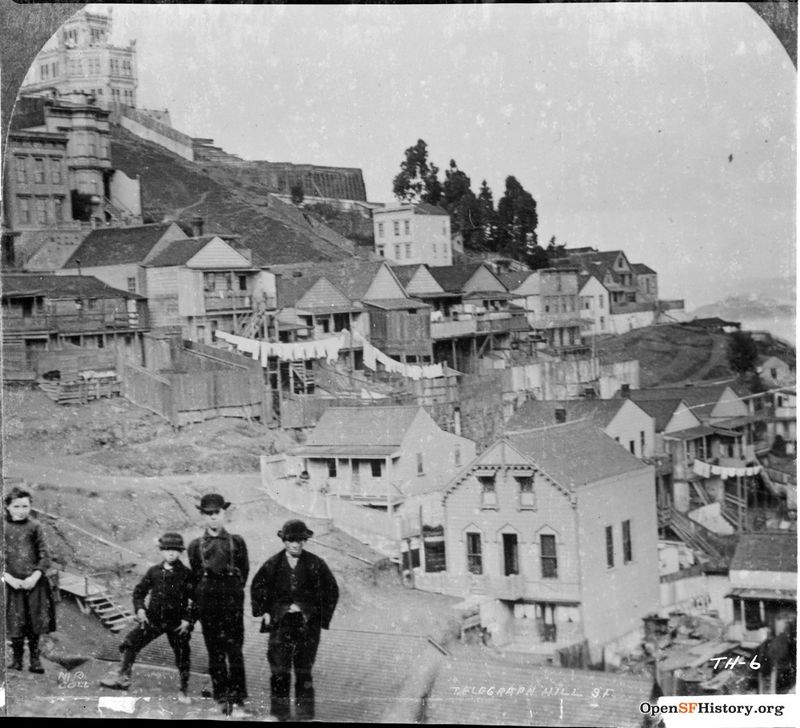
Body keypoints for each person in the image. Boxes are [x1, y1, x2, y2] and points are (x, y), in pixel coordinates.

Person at [251, 519, 339, 722]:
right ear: (284, 541)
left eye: (300, 540)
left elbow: (331, 590)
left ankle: (305, 715)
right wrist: (264, 611)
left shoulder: (316, 564)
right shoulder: (272, 564)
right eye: (291, 540)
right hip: (281, 625)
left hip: (307, 625)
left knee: (304, 671)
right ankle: (279, 713)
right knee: (279, 670)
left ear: (305, 541)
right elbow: (258, 587)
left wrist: (319, 617)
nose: (296, 545)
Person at [99, 533, 193, 702]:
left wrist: (188, 619)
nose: (170, 553)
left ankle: (183, 690)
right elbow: (139, 593)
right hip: (154, 619)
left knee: (182, 655)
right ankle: (123, 678)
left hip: (177, 622)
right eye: (166, 550)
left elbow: (196, 600)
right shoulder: (154, 571)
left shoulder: (186, 573)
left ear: (180, 552)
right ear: (161, 551)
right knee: (130, 642)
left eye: (175, 550)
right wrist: (140, 610)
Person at [187, 493, 249, 716]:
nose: (213, 518)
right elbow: (195, 577)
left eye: (217, 513)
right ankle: (220, 699)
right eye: (208, 514)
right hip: (208, 604)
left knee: (235, 652)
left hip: (231, 602)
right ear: (203, 516)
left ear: (224, 513)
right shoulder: (195, 546)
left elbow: (244, 572)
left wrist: (232, 592)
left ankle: (239, 701)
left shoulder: (237, 542)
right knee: (215, 653)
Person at [3, 486, 57, 674]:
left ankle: (35, 660)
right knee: (15, 622)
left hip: (35, 584)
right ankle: (17, 660)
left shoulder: (35, 527)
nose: (21, 510)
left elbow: (45, 556)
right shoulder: (3, 527)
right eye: (16, 506)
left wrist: (35, 577)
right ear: (7, 507)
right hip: (11, 584)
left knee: (35, 622)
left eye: (25, 506)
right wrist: (7, 577)